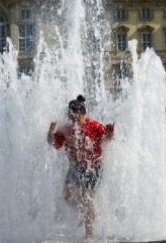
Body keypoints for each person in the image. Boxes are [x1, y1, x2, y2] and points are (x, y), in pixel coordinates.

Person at [47, 95, 114, 241]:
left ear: (84, 114)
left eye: (77, 117)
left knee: (86, 197)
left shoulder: (94, 125)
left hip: (93, 167)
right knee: (68, 195)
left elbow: (107, 139)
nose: (74, 121)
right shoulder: (66, 129)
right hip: (75, 168)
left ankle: (89, 235)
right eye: (72, 118)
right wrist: (50, 133)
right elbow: (53, 143)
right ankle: (86, 211)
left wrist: (110, 134)